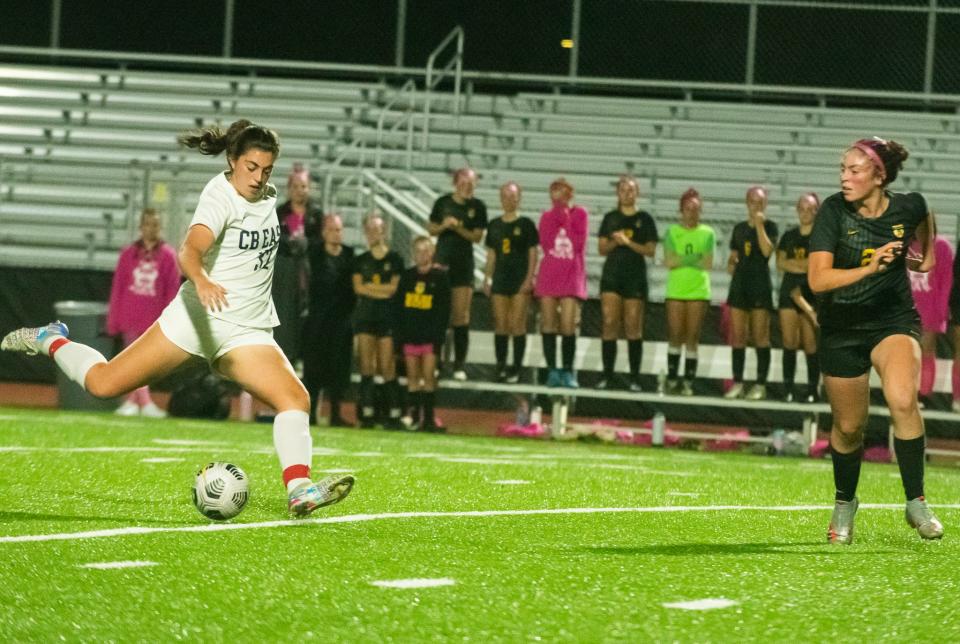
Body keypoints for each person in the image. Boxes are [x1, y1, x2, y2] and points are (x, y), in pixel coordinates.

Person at [1, 119, 354, 516]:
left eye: (266, 170)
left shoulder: (268, 196)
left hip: (244, 330)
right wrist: (201, 279)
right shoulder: (219, 196)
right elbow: (189, 250)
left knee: (295, 399)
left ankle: (299, 489)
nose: (258, 177)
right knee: (103, 384)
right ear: (233, 160)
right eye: (251, 167)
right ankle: (52, 338)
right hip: (195, 319)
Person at [808, 136, 942, 543]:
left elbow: (925, 236)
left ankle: (916, 501)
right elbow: (817, 280)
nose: (844, 177)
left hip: (892, 321)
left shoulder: (910, 205)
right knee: (849, 428)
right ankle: (845, 502)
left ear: (879, 175)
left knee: (903, 399)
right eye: (842, 169)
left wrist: (924, 255)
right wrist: (870, 267)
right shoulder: (833, 212)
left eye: (854, 170)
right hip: (842, 327)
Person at [106, 207, 181, 417]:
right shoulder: (128, 254)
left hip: (154, 317)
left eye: (156, 225)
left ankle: (133, 401)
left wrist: (170, 318)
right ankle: (143, 402)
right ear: (141, 227)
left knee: (146, 363)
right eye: (148, 224)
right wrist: (114, 318)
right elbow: (118, 286)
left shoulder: (168, 255)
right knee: (132, 361)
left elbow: (172, 290)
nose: (152, 229)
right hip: (130, 314)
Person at [597, 175, 658, 391]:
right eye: (623, 189)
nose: (627, 193)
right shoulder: (611, 218)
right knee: (609, 321)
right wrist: (616, 241)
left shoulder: (645, 219)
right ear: (618, 193)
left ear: (637, 192)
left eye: (631, 190)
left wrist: (628, 242)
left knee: (633, 325)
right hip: (612, 275)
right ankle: (607, 375)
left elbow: (650, 250)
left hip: (635, 276)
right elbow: (602, 248)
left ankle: (634, 377)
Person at [428, 167, 488, 381]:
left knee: (461, 316)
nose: (467, 187)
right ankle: (435, 363)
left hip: (463, 263)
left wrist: (458, 227)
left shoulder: (478, 207)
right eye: (464, 182)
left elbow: (476, 237)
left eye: (471, 183)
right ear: (456, 183)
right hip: (442, 261)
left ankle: (459, 365)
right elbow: (431, 229)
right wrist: (445, 225)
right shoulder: (443, 202)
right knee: (438, 315)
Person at [725, 185, 778, 400]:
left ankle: (760, 384)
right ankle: (738, 382)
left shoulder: (770, 227)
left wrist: (759, 226)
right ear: (747, 202)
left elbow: (767, 251)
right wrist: (731, 263)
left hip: (760, 285)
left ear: (765, 204)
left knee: (760, 336)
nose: (756, 205)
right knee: (738, 336)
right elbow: (732, 259)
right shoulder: (738, 229)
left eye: (760, 202)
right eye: (753, 201)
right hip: (740, 285)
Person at [302, 213, 355, 427]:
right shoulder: (314, 254)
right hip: (318, 320)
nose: (336, 234)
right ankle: (312, 413)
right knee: (313, 368)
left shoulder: (350, 256)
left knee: (338, 368)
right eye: (332, 229)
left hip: (341, 320)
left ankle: (335, 414)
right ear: (324, 232)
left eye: (339, 230)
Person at [535, 178, 588, 388]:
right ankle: (551, 371)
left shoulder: (580, 214)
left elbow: (578, 244)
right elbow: (547, 244)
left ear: (570, 193)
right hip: (550, 274)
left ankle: (567, 370)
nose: (558, 194)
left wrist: (566, 218)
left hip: (571, 274)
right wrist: (557, 214)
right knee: (548, 322)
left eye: (562, 190)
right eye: (554, 191)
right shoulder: (546, 216)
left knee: (568, 324)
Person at [482, 181, 538, 383]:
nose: (509, 199)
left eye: (512, 196)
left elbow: (533, 253)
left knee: (517, 324)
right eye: (505, 196)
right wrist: (487, 278)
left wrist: (530, 278)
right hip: (500, 279)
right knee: (501, 324)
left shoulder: (526, 224)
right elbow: (491, 255)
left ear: (519, 197)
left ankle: (517, 368)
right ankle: (501, 366)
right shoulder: (495, 225)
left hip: (519, 279)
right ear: (500, 198)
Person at [352, 211, 403, 428]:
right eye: (370, 229)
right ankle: (367, 411)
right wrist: (380, 289)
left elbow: (393, 289)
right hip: (365, 318)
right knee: (366, 365)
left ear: (384, 231)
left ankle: (393, 412)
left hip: (388, 318)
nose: (374, 233)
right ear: (365, 232)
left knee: (386, 365)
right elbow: (358, 288)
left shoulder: (395, 259)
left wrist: (371, 288)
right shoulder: (360, 260)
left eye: (377, 229)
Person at [395, 236, 451, 432]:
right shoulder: (407, 276)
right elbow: (399, 308)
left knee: (428, 377)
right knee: (412, 378)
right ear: (413, 253)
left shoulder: (440, 278)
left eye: (426, 250)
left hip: (430, 336)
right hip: (410, 334)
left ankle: (428, 419)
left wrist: (438, 337)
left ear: (432, 252)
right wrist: (400, 336)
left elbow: (444, 311)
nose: (422, 254)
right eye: (418, 251)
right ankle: (414, 418)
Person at [662, 188, 714, 396]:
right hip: (676, 289)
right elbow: (669, 261)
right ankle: (672, 378)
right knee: (675, 334)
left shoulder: (707, 233)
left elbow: (708, 263)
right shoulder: (672, 232)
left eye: (695, 209)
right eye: (687, 208)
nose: (691, 213)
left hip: (698, 291)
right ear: (681, 210)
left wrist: (682, 258)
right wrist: (694, 258)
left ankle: (688, 382)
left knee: (692, 336)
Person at [272, 163, 323, 365]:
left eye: (303, 186)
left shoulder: (316, 214)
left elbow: (320, 241)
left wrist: (306, 244)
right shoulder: (280, 213)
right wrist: (290, 244)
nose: (299, 191)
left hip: (309, 273)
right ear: (289, 188)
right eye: (295, 186)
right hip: (285, 276)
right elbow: (275, 239)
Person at [776, 193, 821, 403]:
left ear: (816, 211)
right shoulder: (789, 235)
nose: (806, 212)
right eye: (802, 208)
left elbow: (815, 265)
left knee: (810, 343)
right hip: (789, 290)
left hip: (810, 293)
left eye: (810, 208)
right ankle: (788, 388)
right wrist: (801, 266)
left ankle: (812, 389)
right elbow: (780, 263)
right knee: (789, 341)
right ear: (797, 210)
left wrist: (795, 265)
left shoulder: (821, 237)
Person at [908, 234, 953, 407]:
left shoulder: (941, 245)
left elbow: (946, 280)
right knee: (904, 355)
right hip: (904, 311)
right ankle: (907, 393)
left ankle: (923, 395)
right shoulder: (902, 243)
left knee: (926, 352)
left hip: (928, 311)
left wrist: (940, 312)